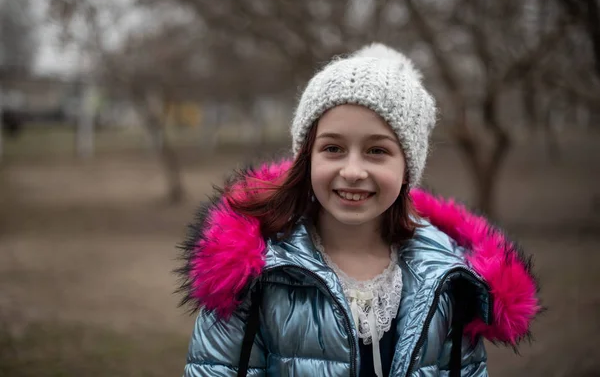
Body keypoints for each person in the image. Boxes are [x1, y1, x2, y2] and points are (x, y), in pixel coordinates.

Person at [176, 43, 541, 377]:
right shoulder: (254, 275)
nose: (352, 171)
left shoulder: (448, 278)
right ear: (307, 158)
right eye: (333, 148)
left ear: (407, 169)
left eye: (376, 151)